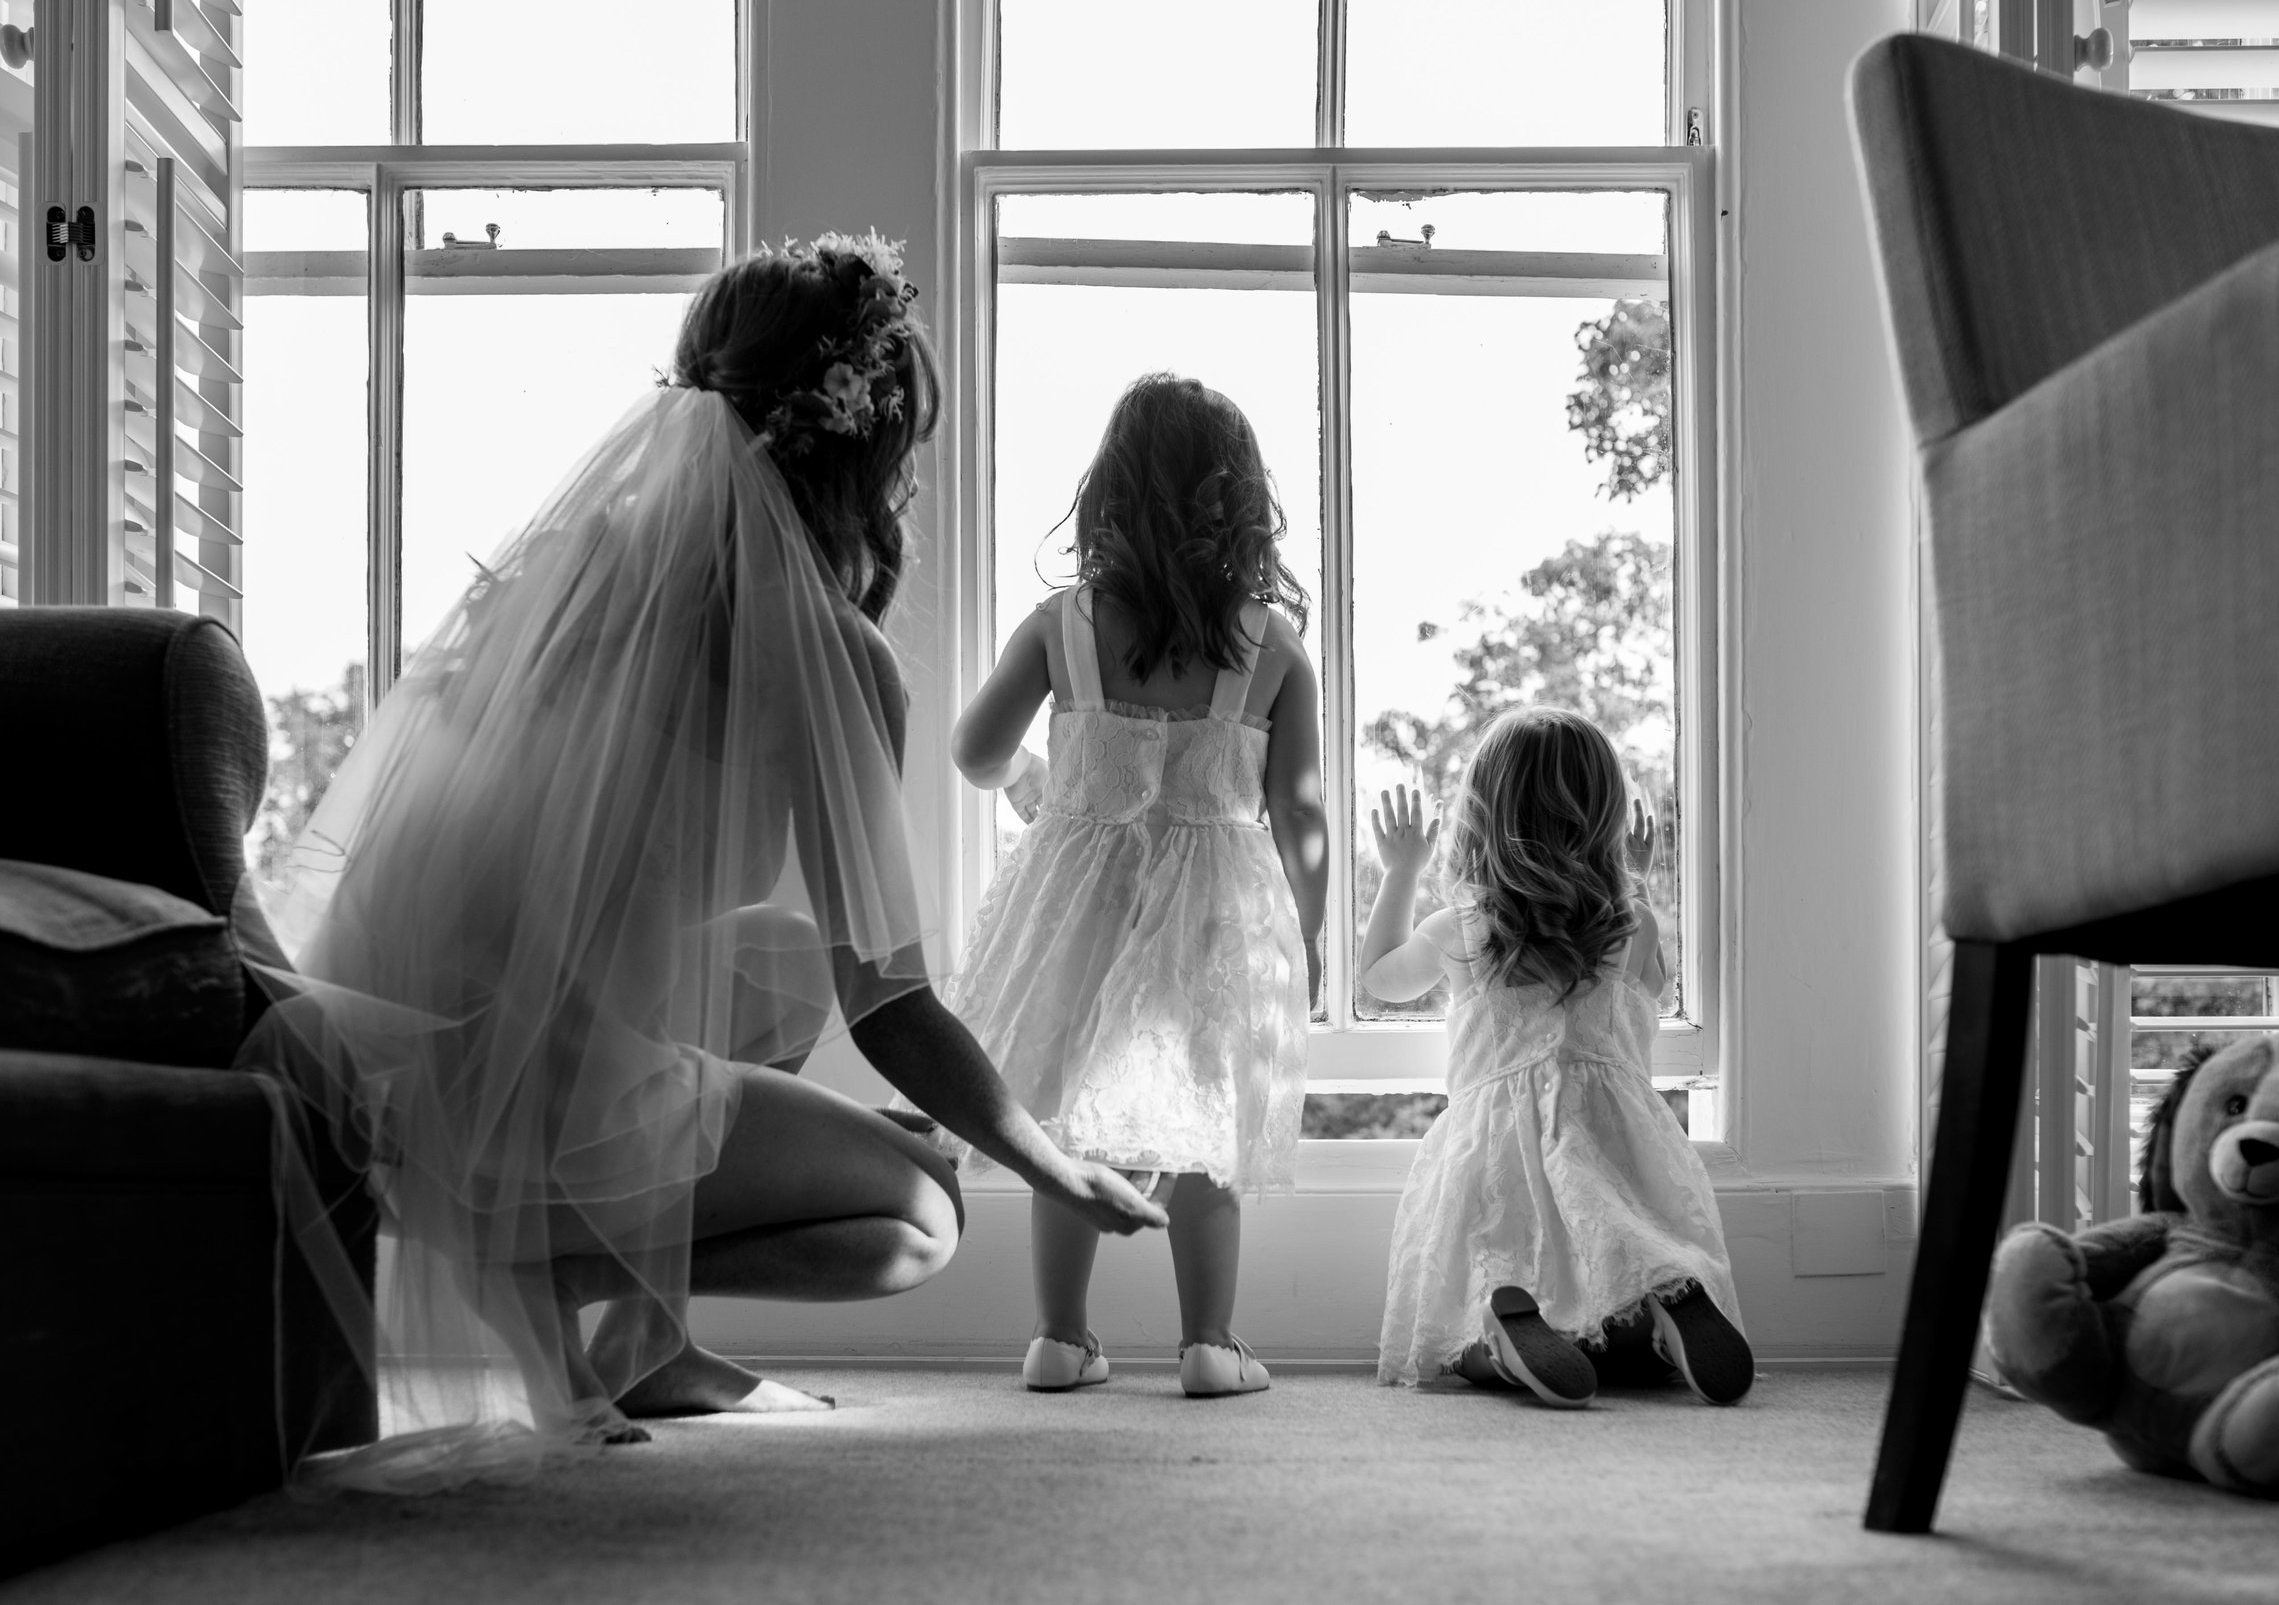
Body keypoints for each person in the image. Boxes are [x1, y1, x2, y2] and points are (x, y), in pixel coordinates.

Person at [244, 233, 1166, 1492]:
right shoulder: (836, 655)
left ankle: (642, 1339)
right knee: (920, 1213)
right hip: (534, 1087)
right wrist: (1050, 1161)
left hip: (399, 1053)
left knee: (774, 963)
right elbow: (888, 1001)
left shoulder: (563, 577)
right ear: (862, 444)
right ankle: (534, 1266)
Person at [937, 373, 1327, 1398]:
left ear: (1108, 490)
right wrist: (1309, 937)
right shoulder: (1275, 646)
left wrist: (1045, 785)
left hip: (1079, 902)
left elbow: (973, 749)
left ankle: (1060, 1338)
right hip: (1217, 907)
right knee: (1207, 1126)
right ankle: (1209, 1341)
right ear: (1239, 499)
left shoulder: (1061, 626)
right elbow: (1301, 816)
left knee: (1063, 1115)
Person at [1361, 707, 1751, 1409]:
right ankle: (1667, 1298)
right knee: (1618, 1271)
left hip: (1501, 1148)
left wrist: (1402, 870)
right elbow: (1652, 997)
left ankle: (1504, 1339)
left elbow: (1378, 978)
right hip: (1619, 1141)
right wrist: (1633, 881)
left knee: (1454, 1335)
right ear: (1603, 815)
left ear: (1482, 815)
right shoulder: (1629, 922)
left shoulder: (1465, 926)